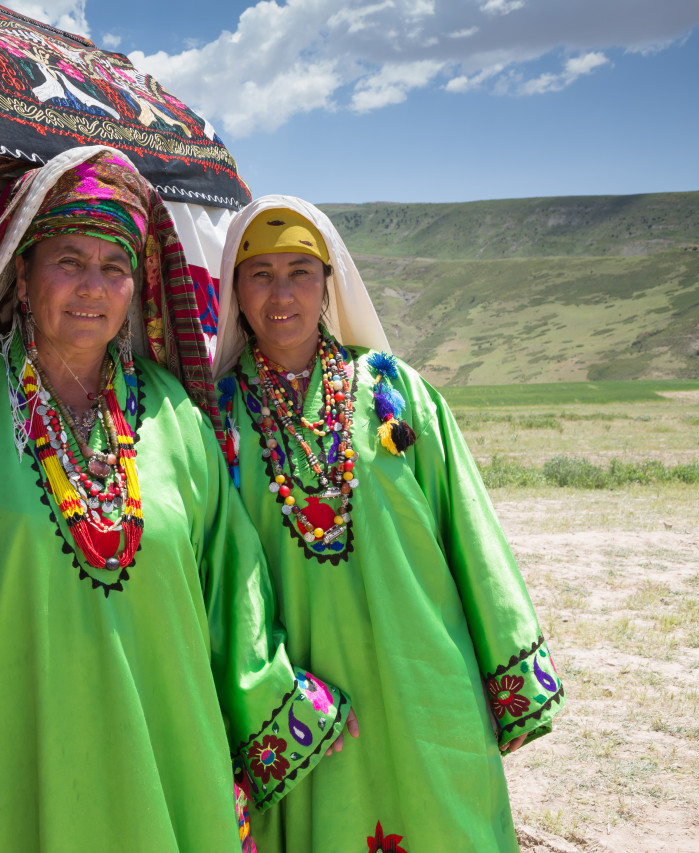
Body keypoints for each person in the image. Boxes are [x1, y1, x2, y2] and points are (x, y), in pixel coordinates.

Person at [0, 151, 354, 851]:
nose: (93, 286)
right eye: (69, 260)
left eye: (114, 267)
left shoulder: (177, 421)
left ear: (135, 289)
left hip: (168, 773)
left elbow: (235, 588)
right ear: (22, 274)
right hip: (5, 777)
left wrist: (282, 703)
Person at [210, 195, 564, 851]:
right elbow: (224, 580)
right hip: (307, 714)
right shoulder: (218, 422)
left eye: (300, 272)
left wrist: (509, 670)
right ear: (235, 287)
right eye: (261, 273)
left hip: (426, 689)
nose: (281, 294)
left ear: (328, 283)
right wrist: (273, 694)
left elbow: (471, 533)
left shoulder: (397, 394)